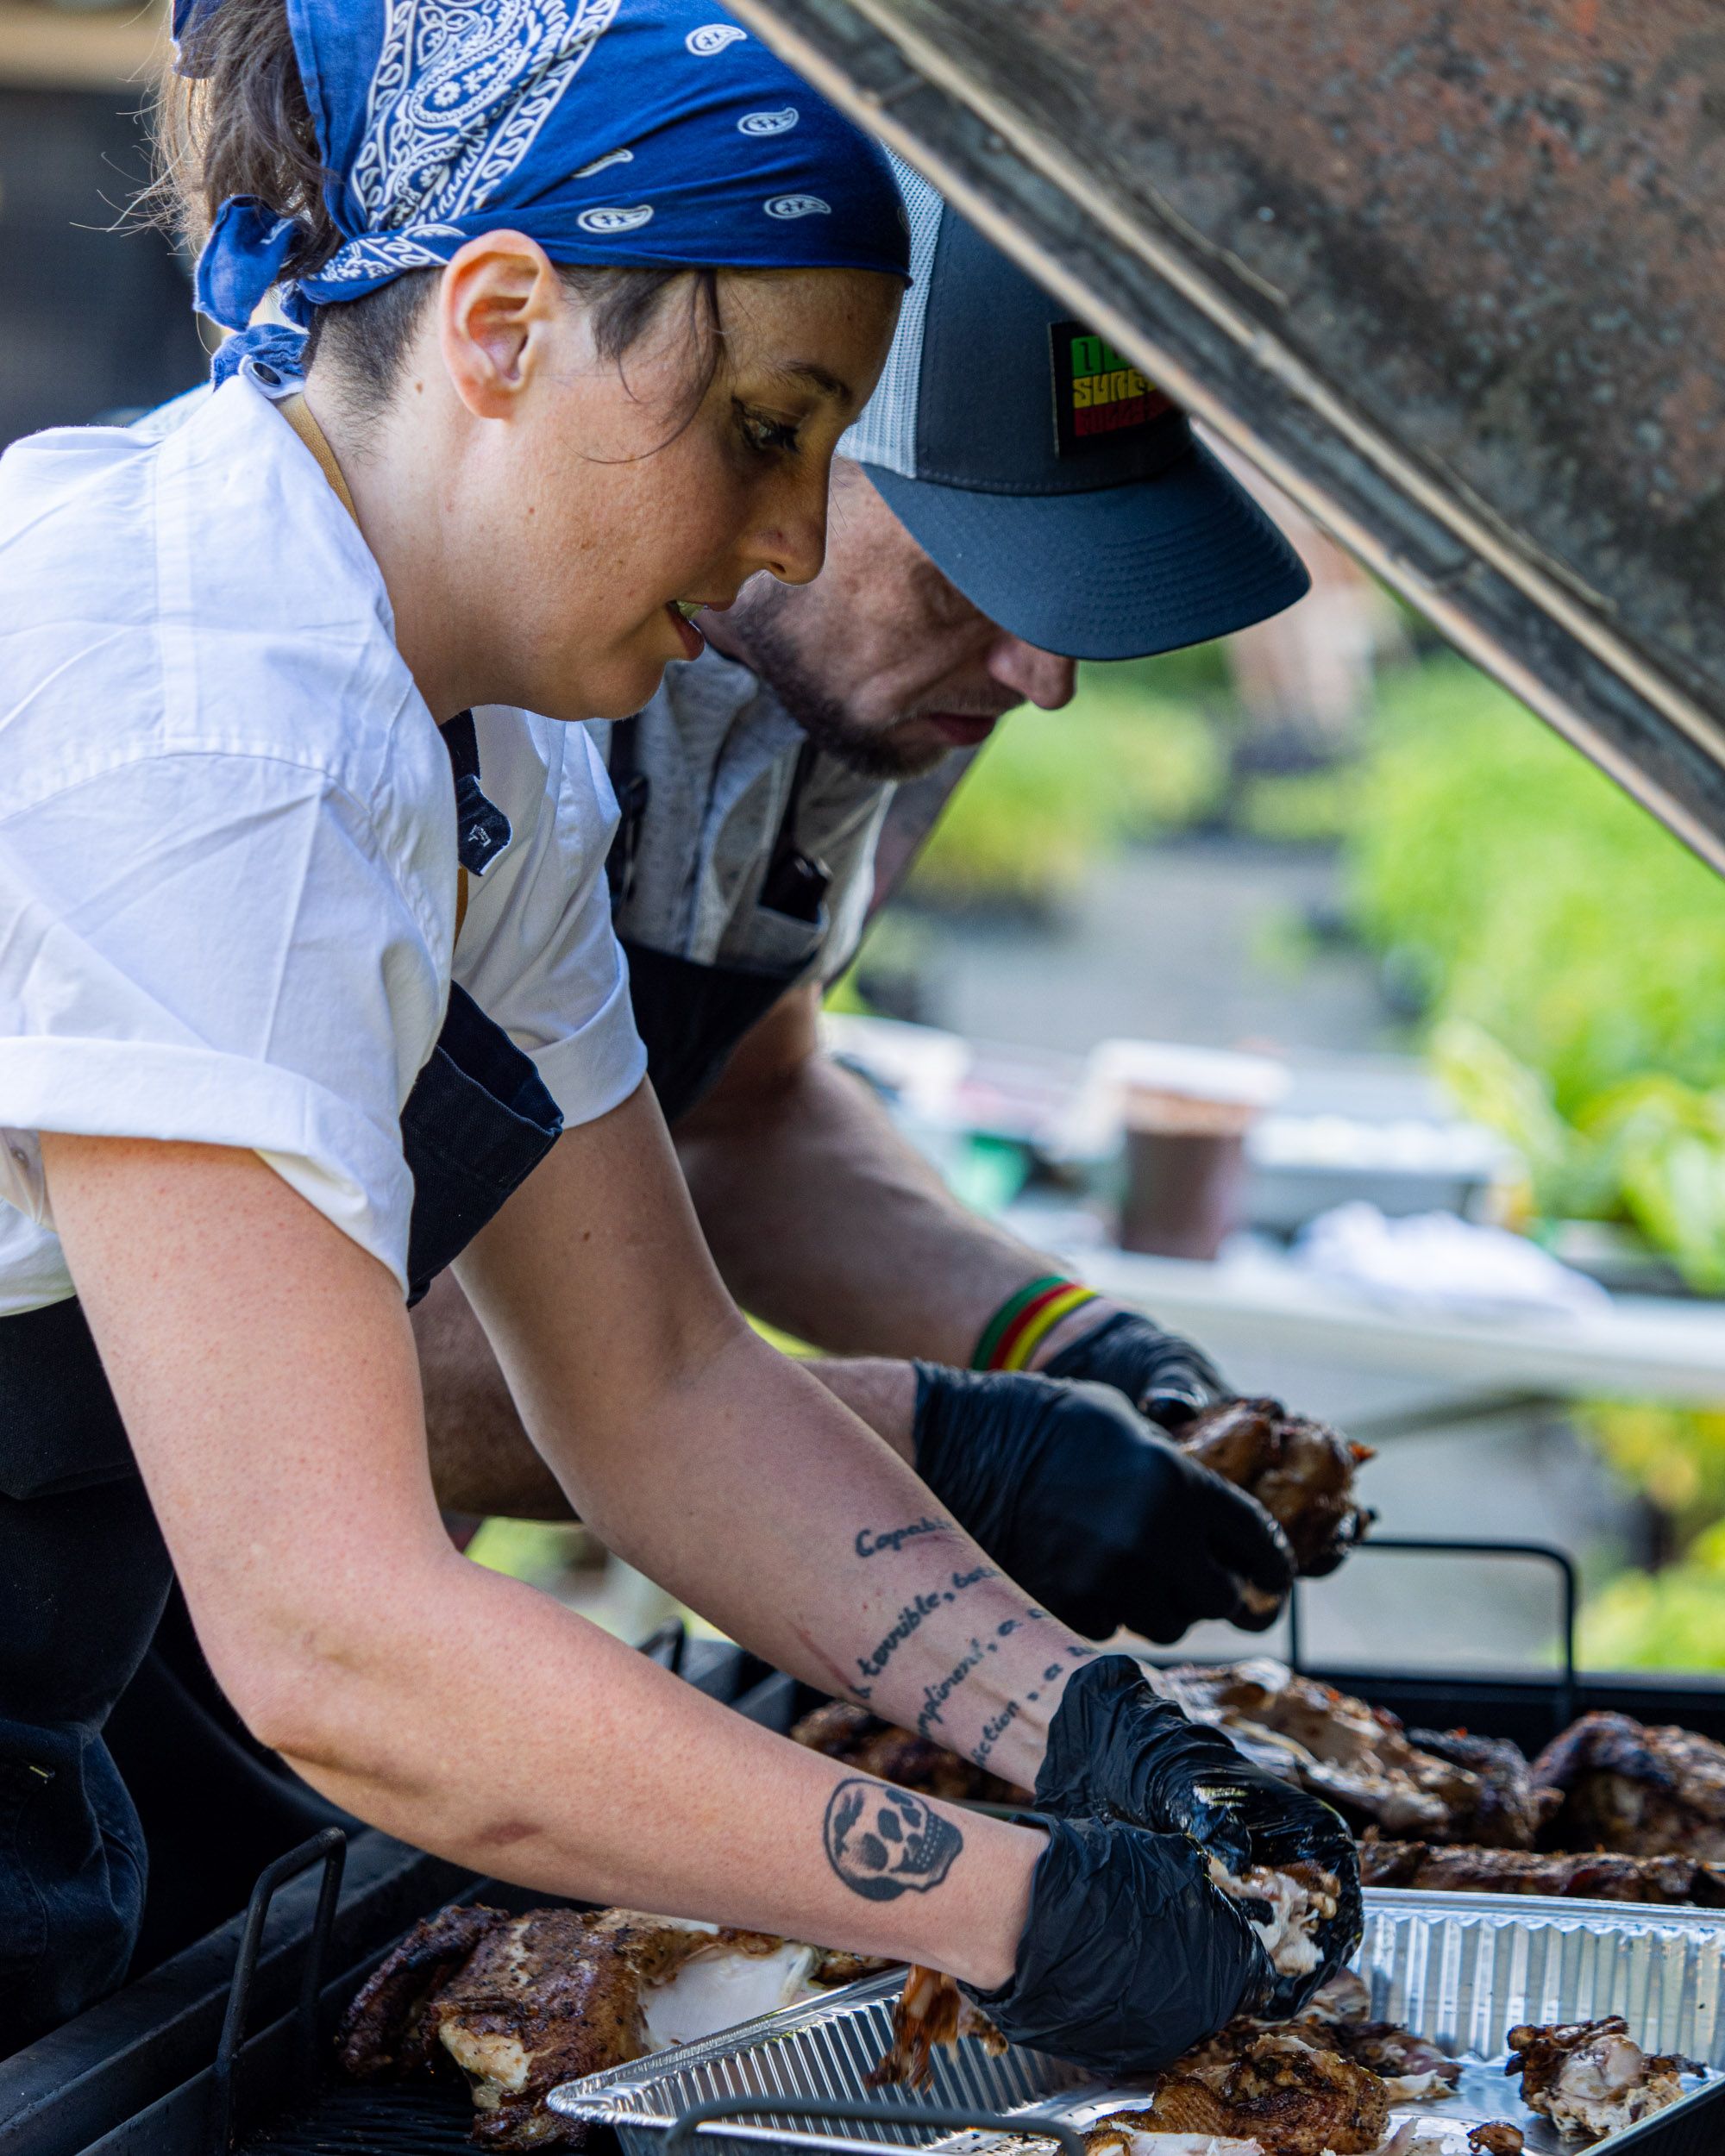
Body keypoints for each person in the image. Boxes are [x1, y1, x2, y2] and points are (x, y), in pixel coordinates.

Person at [0, 0, 1357, 2068]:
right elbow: (333, 1638)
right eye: (765, 428)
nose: (795, 542)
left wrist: (1087, 1729)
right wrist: (1013, 1904)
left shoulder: (502, 748)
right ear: (501, 322)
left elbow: (655, 1376)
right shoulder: (214, 733)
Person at [415, 167, 1322, 1648]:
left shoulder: (859, 692)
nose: (1044, 674)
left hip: (354, 1613)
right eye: (980, 569)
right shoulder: (417, 683)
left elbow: (739, 1122)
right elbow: (313, 1339)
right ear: (785, 436)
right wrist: (946, 1451)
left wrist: (1073, 1345)